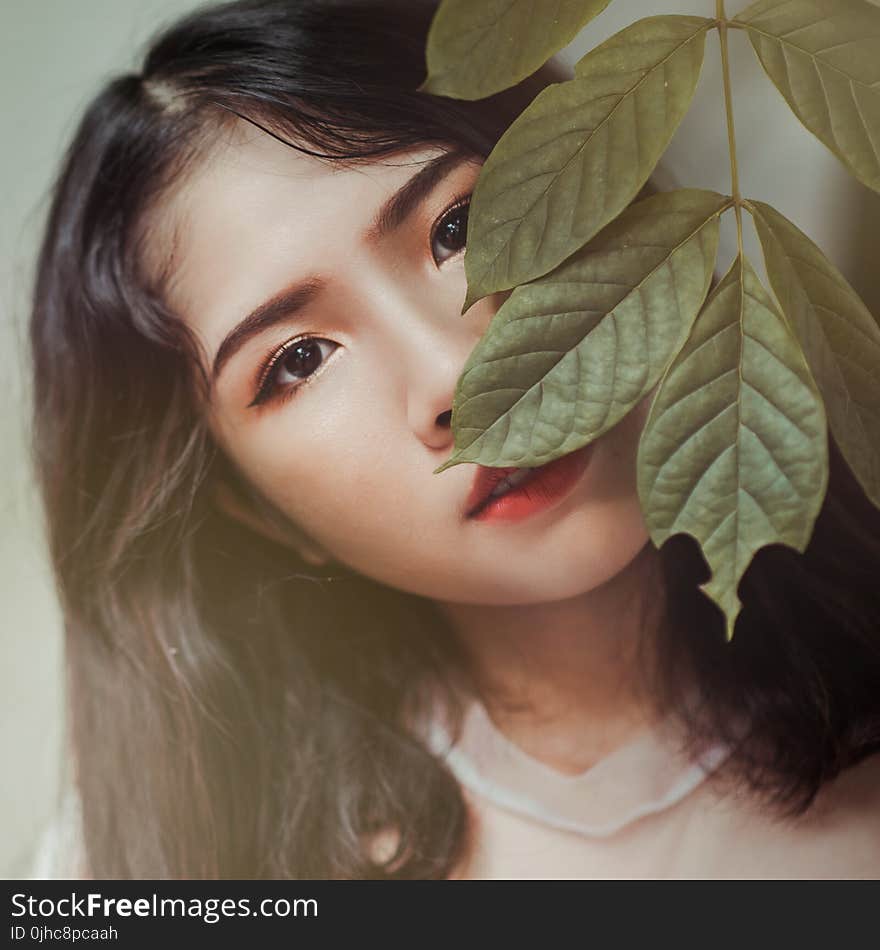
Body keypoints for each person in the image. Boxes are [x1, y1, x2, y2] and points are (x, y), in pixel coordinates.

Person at [29, 0, 880, 880]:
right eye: (298, 361)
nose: (460, 377)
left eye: (458, 227)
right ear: (250, 510)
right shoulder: (144, 872)